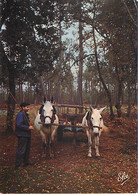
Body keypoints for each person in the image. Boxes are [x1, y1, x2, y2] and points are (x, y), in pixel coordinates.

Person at [15, 102, 34, 168]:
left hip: (27, 134)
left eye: (28, 107)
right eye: (27, 107)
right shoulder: (20, 115)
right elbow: (19, 125)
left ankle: (26, 162)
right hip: (22, 135)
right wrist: (28, 127)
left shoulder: (25, 114)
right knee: (21, 150)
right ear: (23, 107)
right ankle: (18, 164)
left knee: (27, 149)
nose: (28, 108)